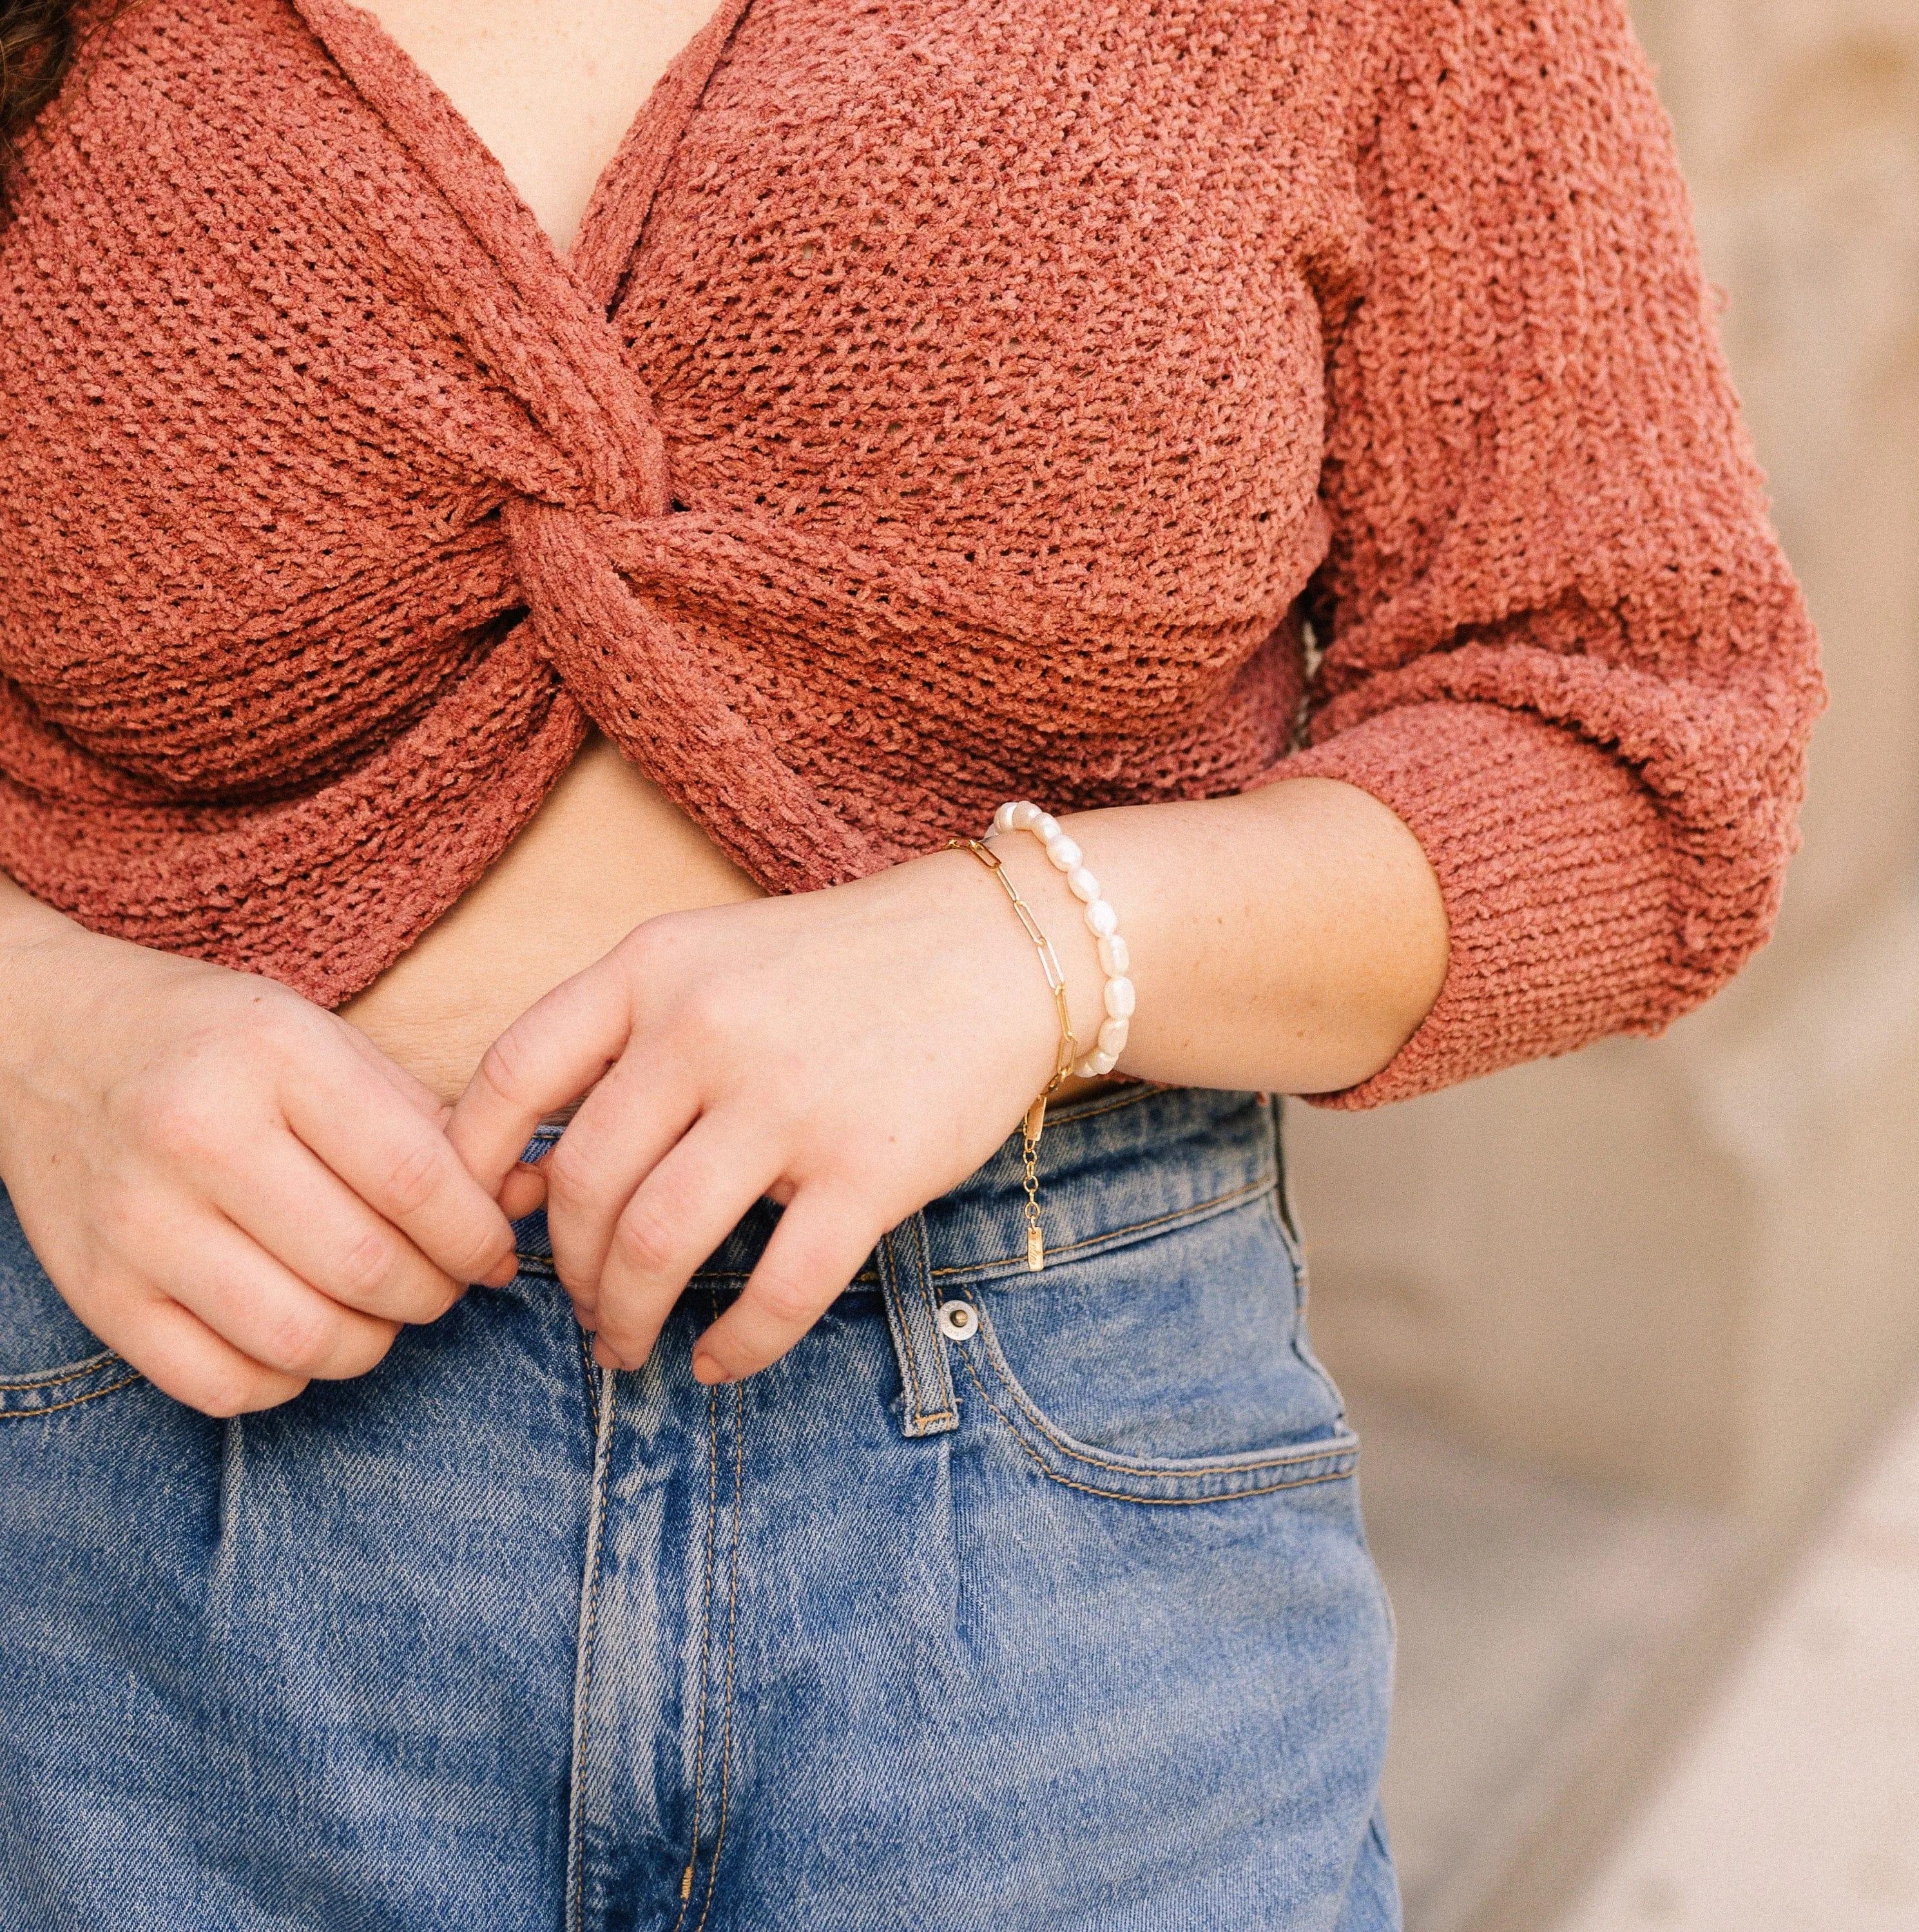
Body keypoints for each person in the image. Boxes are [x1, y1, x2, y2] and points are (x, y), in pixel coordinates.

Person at [0, 0, 1822, 1926]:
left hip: (1055, 1530)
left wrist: (1035, 946)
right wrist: (36, 1022)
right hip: (140, 1523)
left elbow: (1638, 745)